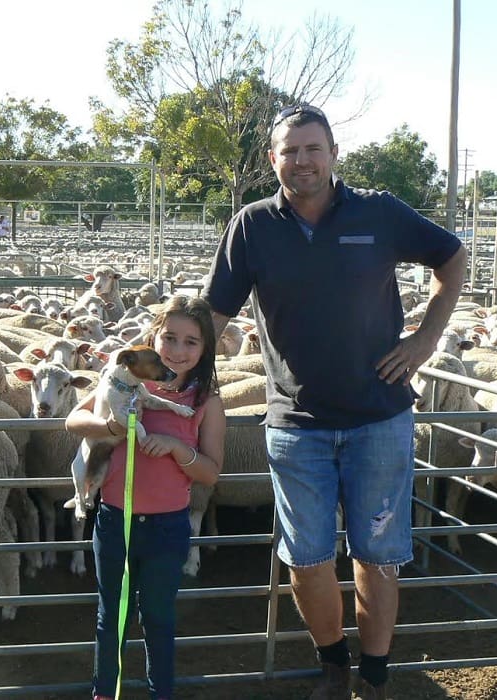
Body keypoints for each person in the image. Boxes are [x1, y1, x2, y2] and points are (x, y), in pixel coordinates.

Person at [201, 104, 466, 700]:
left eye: (312, 148)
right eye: (289, 151)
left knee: (378, 555)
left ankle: (375, 672)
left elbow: (452, 258)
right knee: (307, 557)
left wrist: (424, 341)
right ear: (273, 159)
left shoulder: (379, 212)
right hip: (298, 422)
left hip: (380, 417)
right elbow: (216, 311)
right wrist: (173, 378)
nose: (302, 161)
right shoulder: (252, 225)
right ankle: (333, 665)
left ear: (333, 154)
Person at [65, 295, 224, 700]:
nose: (177, 350)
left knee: (158, 617)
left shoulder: (205, 400)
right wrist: (109, 428)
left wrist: (175, 447)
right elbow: (73, 420)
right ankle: (105, 693)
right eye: (169, 338)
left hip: (168, 526)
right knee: (112, 618)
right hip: (115, 519)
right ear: (153, 337)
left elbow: (210, 470)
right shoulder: (126, 380)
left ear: (205, 349)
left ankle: (160, 693)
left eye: (191, 342)